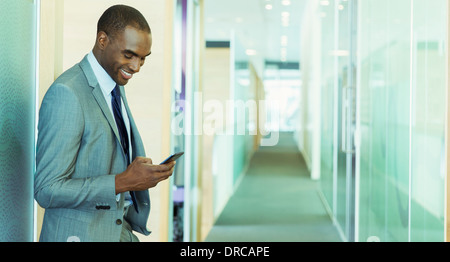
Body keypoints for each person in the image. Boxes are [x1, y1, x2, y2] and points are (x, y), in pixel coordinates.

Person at [34, 4, 175, 242]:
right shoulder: (67, 93)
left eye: (143, 58)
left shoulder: (113, 84)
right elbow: (47, 190)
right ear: (102, 40)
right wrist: (123, 181)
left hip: (117, 230)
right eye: (128, 55)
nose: (136, 67)